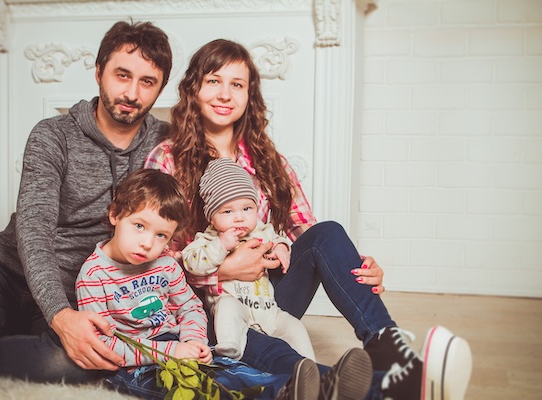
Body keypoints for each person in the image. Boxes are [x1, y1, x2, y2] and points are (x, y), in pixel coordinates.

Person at [144, 38, 473, 400]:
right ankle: (389, 390)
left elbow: (310, 237)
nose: (225, 94)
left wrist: (356, 267)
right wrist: (222, 270)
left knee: (328, 233)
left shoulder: (269, 160)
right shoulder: (166, 160)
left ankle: (389, 350)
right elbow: (152, 260)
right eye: (213, 81)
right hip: (211, 308)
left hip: (269, 297)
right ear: (194, 88)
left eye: (236, 85)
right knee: (279, 358)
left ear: (249, 95)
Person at [0, 20, 174, 384]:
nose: (131, 92)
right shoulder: (52, 135)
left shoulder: (166, 146)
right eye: (122, 75)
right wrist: (60, 317)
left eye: (147, 82)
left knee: (87, 361)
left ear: (160, 89)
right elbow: (33, 231)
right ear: (99, 72)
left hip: (77, 288)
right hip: (7, 269)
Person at [82, 168, 373, 400]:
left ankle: (319, 388)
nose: (148, 243)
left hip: (180, 344)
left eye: (161, 236)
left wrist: (193, 339)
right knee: (208, 389)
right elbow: (104, 345)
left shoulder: (165, 264)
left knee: (234, 368)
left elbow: (190, 306)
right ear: (115, 215)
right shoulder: (93, 276)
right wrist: (170, 353)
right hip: (136, 366)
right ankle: (284, 394)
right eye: (139, 226)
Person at [182, 157, 315, 362]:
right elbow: (192, 263)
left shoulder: (262, 230)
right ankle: (229, 347)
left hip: (267, 309)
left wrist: (281, 247)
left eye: (247, 208)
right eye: (227, 211)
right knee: (226, 309)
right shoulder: (207, 239)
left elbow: (278, 238)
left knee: (295, 328)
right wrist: (221, 245)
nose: (239, 217)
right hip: (234, 305)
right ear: (211, 217)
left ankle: (309, 364)